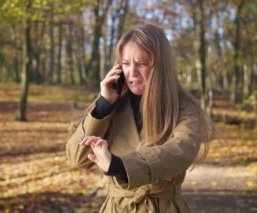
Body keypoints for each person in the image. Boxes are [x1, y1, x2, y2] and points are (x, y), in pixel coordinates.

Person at [66, 24, 213, 212]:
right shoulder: (112, 104)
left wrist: (119, 166)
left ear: (160, 66)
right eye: (126, 64)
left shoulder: (184, 108)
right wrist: (103, 106)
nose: (132, 73)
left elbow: (181, 151)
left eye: (142, 64)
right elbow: (77, 158)